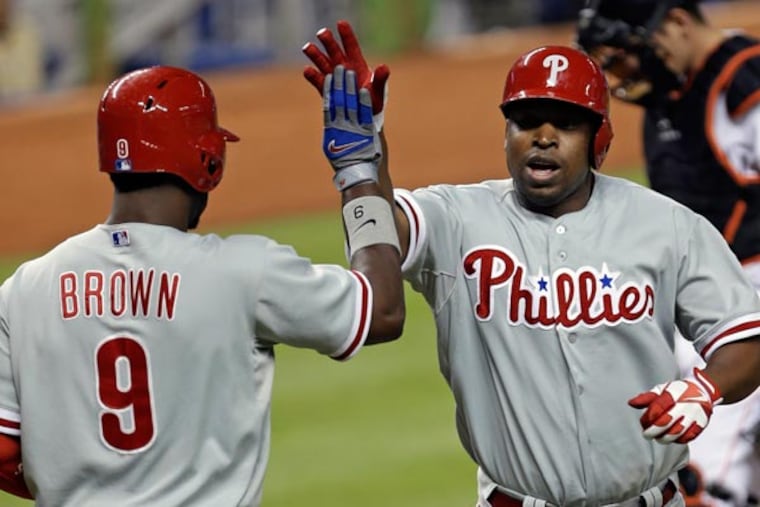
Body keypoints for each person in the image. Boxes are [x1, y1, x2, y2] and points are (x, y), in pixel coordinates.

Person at [302, 21, 760, 506]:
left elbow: (746, 339)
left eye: (565, 124)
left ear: (597, 139)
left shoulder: (666, 225)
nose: (543, 137)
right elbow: (383, 239)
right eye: (526, 121)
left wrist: (705, 390)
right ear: (506, 134)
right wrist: (362, 166)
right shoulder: (455, 219)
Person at [0, 64, 404, 505]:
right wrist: (357, 172)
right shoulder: (244, 272)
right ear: (208, 160)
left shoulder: (22, 289)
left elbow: (5, 453)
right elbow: (381, 310)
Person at [575, 1, 760, 504]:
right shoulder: (671, 98)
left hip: (744, 308)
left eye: (629, 57)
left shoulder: (743, 82)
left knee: (698, 475)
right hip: (710, 307)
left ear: (676, 23)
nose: (623, 76)